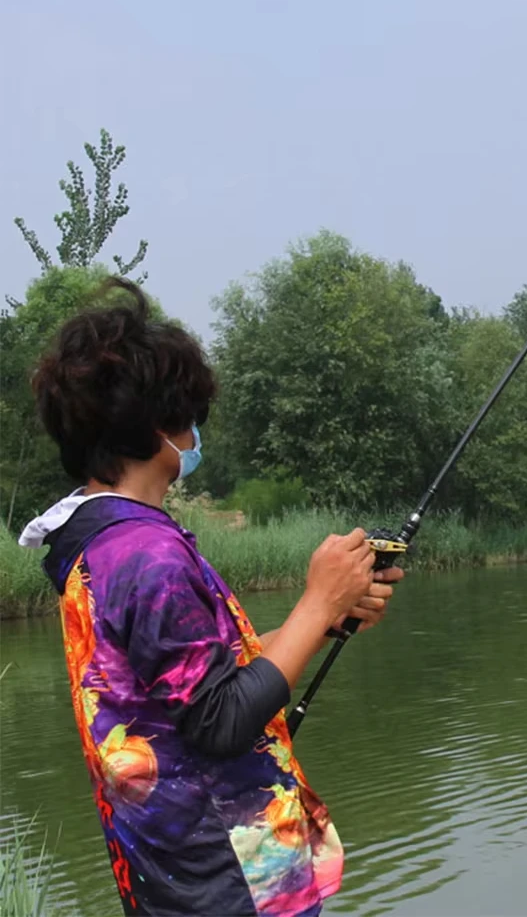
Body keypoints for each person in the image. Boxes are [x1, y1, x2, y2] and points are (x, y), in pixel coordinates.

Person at [18, 278, 402, 917]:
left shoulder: (102, 543)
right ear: (157, 427)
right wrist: (314, 601)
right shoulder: (145, 556)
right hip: (224, 878)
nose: (195, 432)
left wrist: (328, 615)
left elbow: (193, 684)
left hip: (177, 871)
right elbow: (221, 720)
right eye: (188, 416)